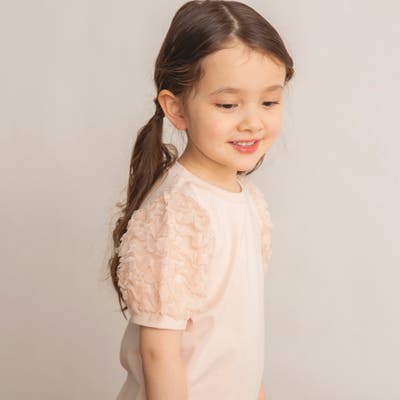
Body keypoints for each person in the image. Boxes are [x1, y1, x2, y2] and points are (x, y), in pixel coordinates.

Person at [108, 1, 295, 399]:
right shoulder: (179, 211)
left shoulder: (248, 203)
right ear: (176, 109)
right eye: (228, 105)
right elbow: (159, 354)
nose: (252, 122)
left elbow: (241, 347)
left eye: (269, 102)